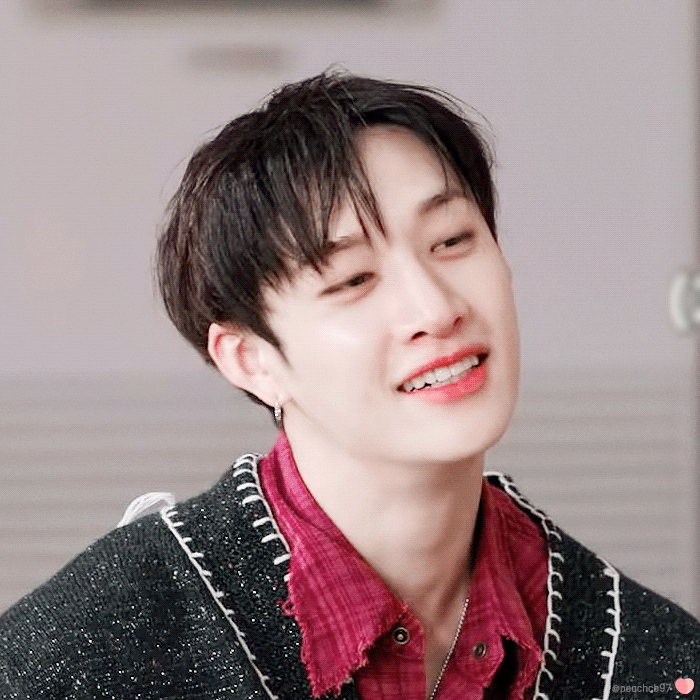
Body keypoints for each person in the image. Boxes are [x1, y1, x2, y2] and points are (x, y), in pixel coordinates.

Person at [1, 71, 698, 700]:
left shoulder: (661, 662)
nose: (435, 310)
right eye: (353, 279)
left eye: (452, 241)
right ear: (250, 360)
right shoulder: (79, 656)